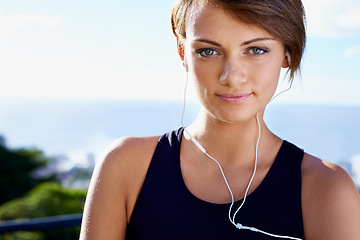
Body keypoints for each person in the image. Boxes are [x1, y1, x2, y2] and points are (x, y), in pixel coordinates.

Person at [80, 0, 360, 239]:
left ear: (287, 52)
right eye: (208, 51)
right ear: (182, 53)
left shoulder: (326, 188)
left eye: (256, 50)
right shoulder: (126, 166)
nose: (232, 76)